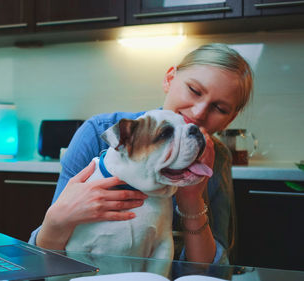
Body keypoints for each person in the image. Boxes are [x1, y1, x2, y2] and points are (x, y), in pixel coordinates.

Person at [28, 43, 253, 264]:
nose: (198, 112)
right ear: (169, 79)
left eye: (220, 108)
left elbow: (213, 271)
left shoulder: (217, 157)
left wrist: (192, 201)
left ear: (230, 119)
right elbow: (42, 260)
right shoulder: (100, 133)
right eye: (194, 91)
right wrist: (59, 219)